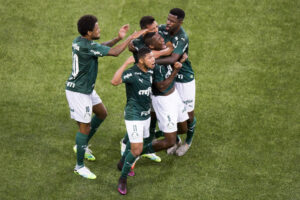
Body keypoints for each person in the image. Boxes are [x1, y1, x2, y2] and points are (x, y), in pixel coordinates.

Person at [65, 14, 145, 179]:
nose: (99, 29)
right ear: (88, 32)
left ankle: (82, 145)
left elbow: (100, 46)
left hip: (85, 89)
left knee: (102, 113)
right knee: (84, 128)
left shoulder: (80, 41)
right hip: (79, 92)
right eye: (97, 28)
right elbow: (114, 53)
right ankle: (79, 166)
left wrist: (117, 38)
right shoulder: (87, 46)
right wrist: (130, 37)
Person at [120, 15, 172, 163]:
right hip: (141, 83)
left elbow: (168, 48)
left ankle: (146, 146)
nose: (157, 30)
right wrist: (164, 51)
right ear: (144, 31)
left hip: (153, 83)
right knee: (140, 117)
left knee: (151, 117)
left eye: (157, 27)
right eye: (153, 28)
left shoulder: (156, 35)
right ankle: (126, 143)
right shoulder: (137, 43)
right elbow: (160, 52)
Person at [111, 47, 155, 195]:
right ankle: (122, 179)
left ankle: (123, 161)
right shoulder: (132, 73)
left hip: (145, 115)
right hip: (133, 114)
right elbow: (114, 81)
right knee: (137, 149)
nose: (153, 60)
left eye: (153, 57)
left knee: (136, 141)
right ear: (141, 60)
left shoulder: (149, 71)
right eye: (149, 58)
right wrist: (125, 63)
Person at [156, 8, 196, 156]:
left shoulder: (182, 37)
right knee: (172, 113)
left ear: (180, 22)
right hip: (169, 77)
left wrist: (153, 60)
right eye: (168, 19)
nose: (168, 23)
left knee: (189, 116)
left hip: (184, 78)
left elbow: (173, 59)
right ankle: (176, 139)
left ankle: (188, 142)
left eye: (172, 21)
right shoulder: (161, 29)